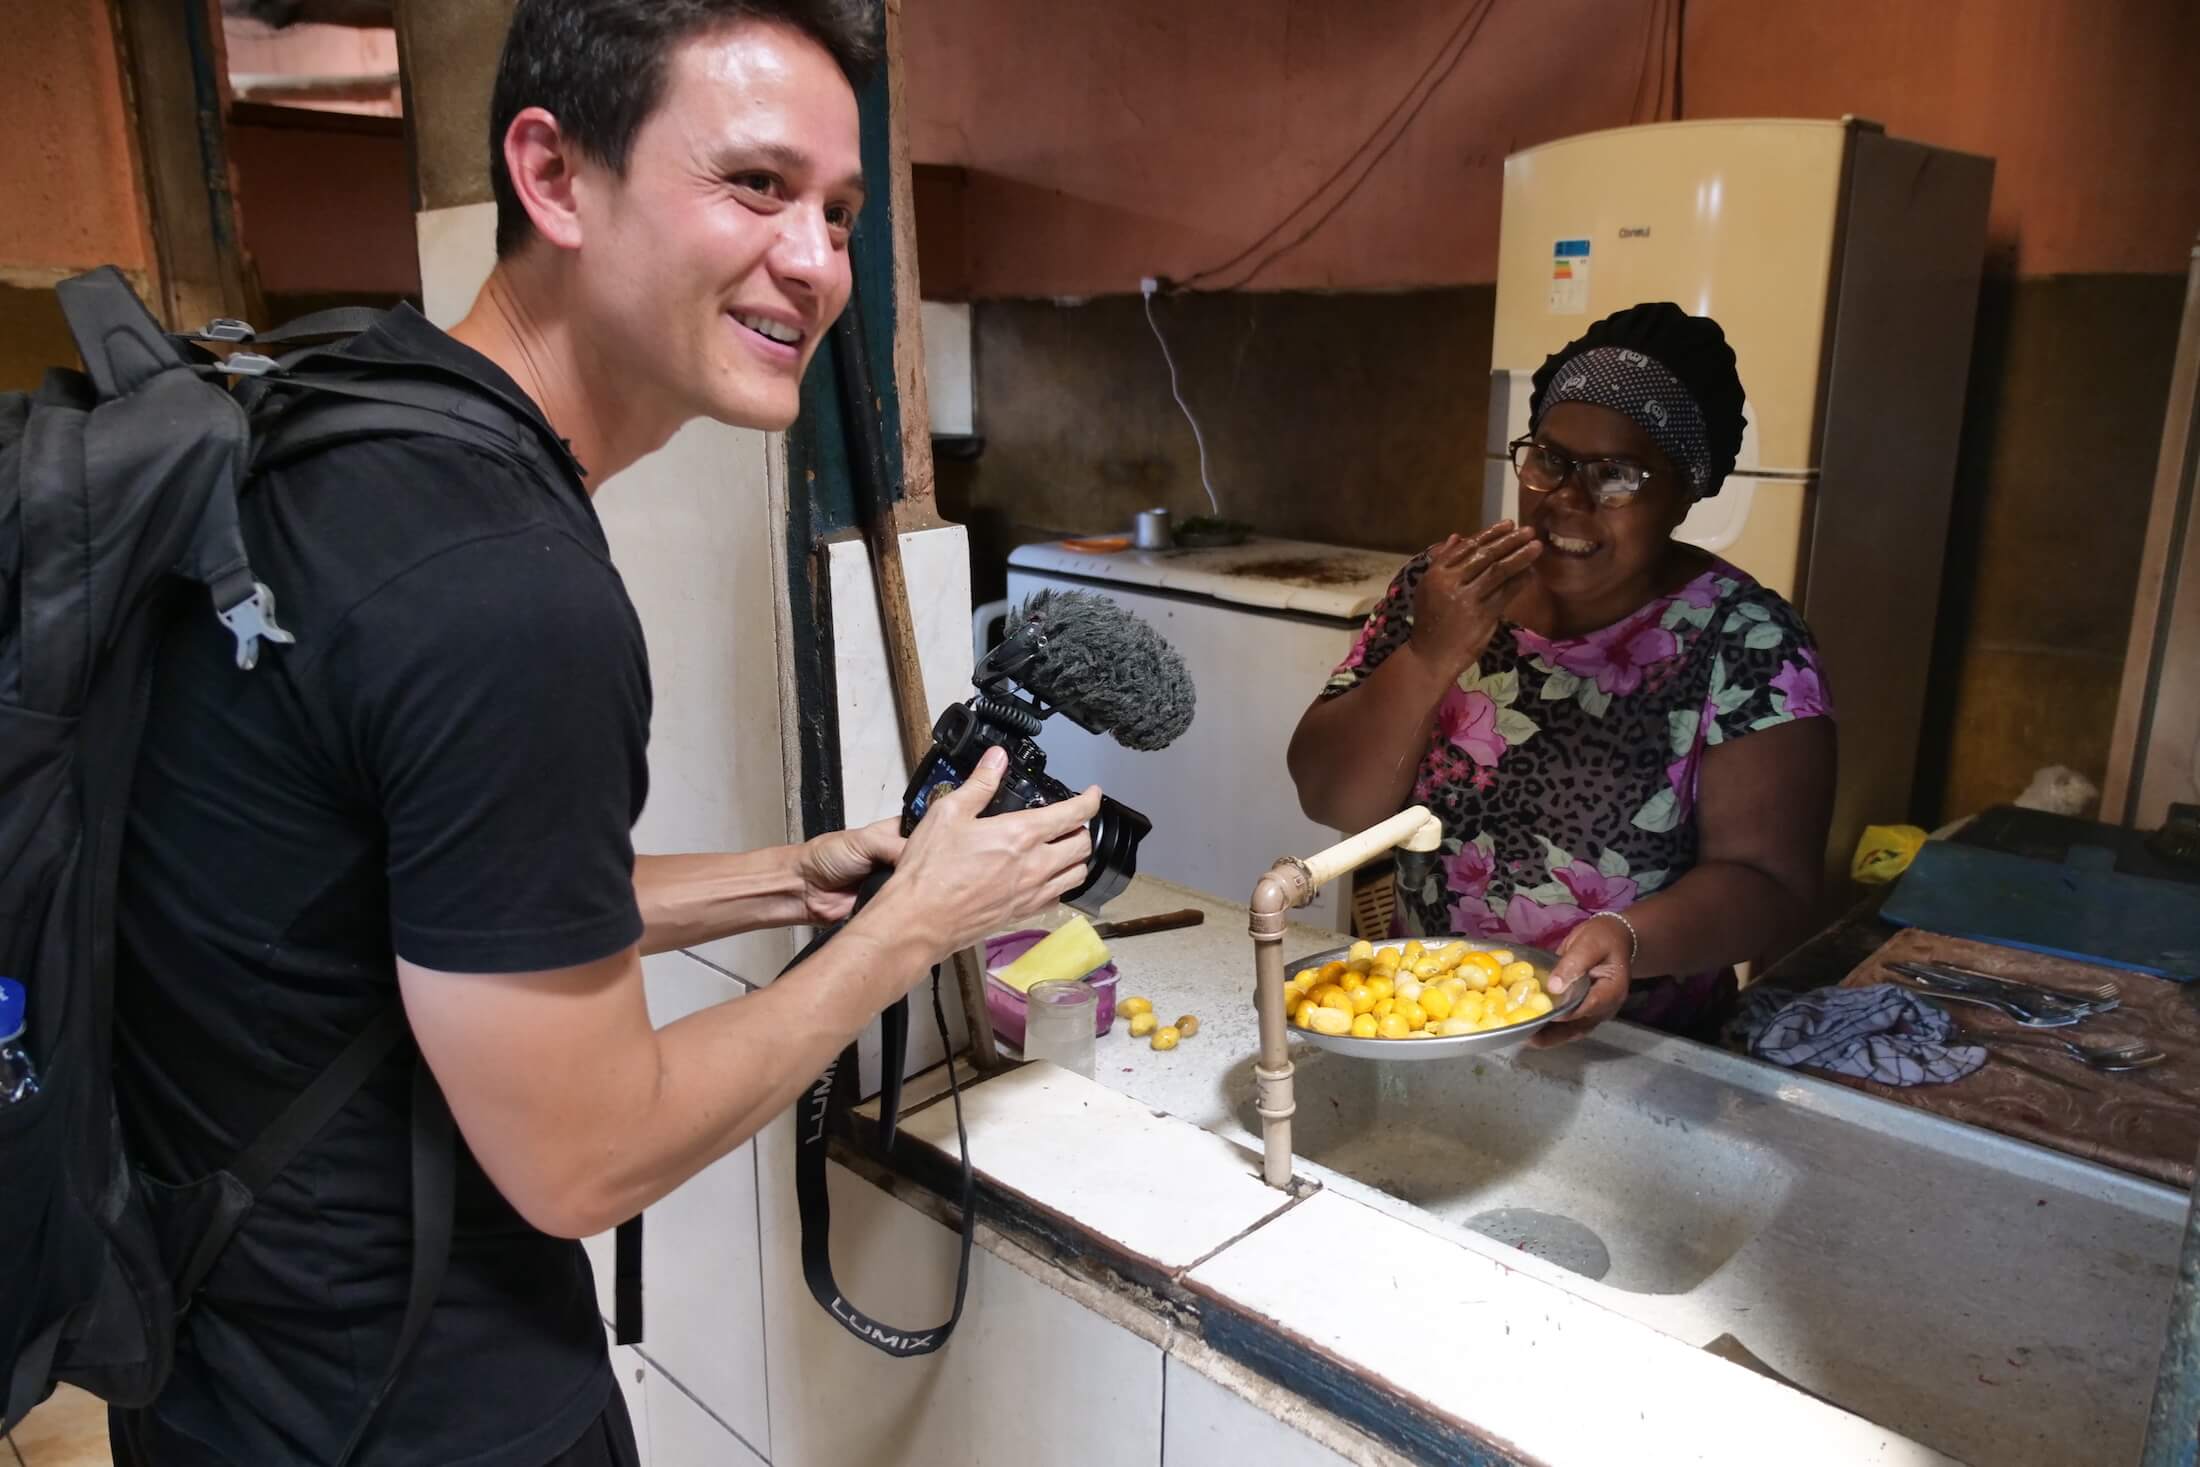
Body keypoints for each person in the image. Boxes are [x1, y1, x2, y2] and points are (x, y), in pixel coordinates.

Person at [108, 3, 1098, 1464]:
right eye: (754, 186)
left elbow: (428, 905)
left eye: (835, 211)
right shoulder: (506, 589)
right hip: (412, 1404)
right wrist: (901, 935)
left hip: (208, 1355)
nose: (817, 263)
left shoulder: (342, 421)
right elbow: (584, 1153)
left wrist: (789, 875)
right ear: (555, 177)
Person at [1288, 302, 1835, 1046]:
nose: (1569, 500)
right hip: (1429, 1028)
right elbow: (1333, 800)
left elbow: (1772, 881)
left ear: (1684, 492)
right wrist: (1430, 654)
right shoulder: (1449, 588)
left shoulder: (1745, 642)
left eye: (1617, 475)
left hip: (1641, 1052)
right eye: (1550, 459)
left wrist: (1629, 937)